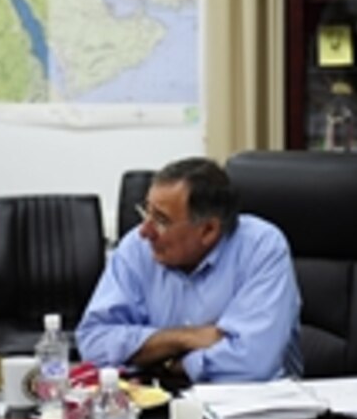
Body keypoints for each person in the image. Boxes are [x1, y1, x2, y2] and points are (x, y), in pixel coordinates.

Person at [76, 157, 301, 383]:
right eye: (146, 212)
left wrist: (168, 362)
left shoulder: (261, 247)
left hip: (251, 406)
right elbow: (93, 343)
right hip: (161, 404)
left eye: (161, 220)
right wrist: (184, 338)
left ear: (208, 230)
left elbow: (253, 363)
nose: (145, 231)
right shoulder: (136, 248)